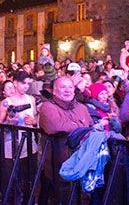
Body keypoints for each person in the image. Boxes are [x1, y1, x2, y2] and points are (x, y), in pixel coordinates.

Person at [38, 76, 92, 204]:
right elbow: (55, 127)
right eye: (63, 87)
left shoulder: (81, 107)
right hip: (59, 164)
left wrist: (71, 125)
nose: (67, 90)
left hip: (81, 161)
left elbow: (90, 126)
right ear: (54, 91)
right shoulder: (47, 107)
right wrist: (80, 126)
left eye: (70, 87)